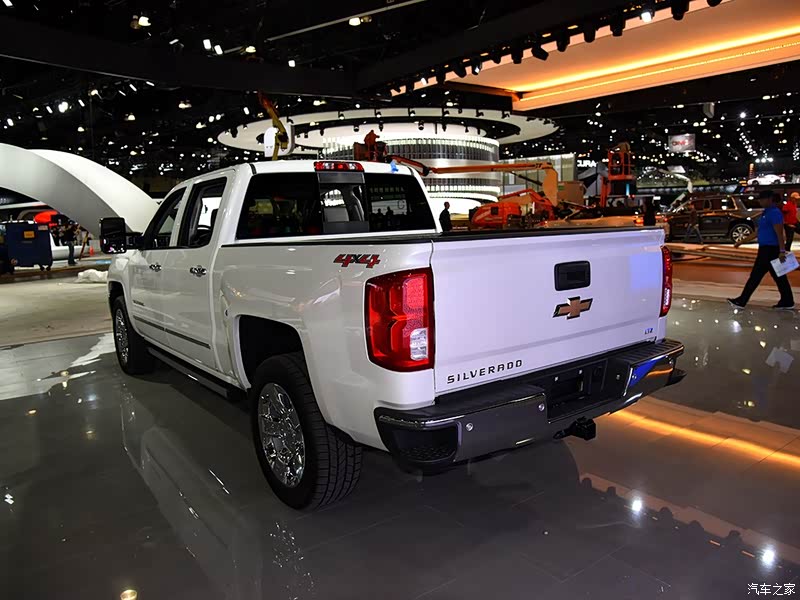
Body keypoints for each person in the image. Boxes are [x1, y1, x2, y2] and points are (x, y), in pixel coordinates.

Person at [728, 190, 794, 310]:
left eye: (762, 199)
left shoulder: (774, 213)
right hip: (765, 249)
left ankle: (742, 300)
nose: (760, 201)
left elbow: (780, 233)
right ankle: (787, 300)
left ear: (769, 199)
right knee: (779, 277)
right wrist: (742, 241)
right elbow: (758, 232)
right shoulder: (765, 213)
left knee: (756, 276)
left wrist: (782, 251)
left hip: (770, 250)